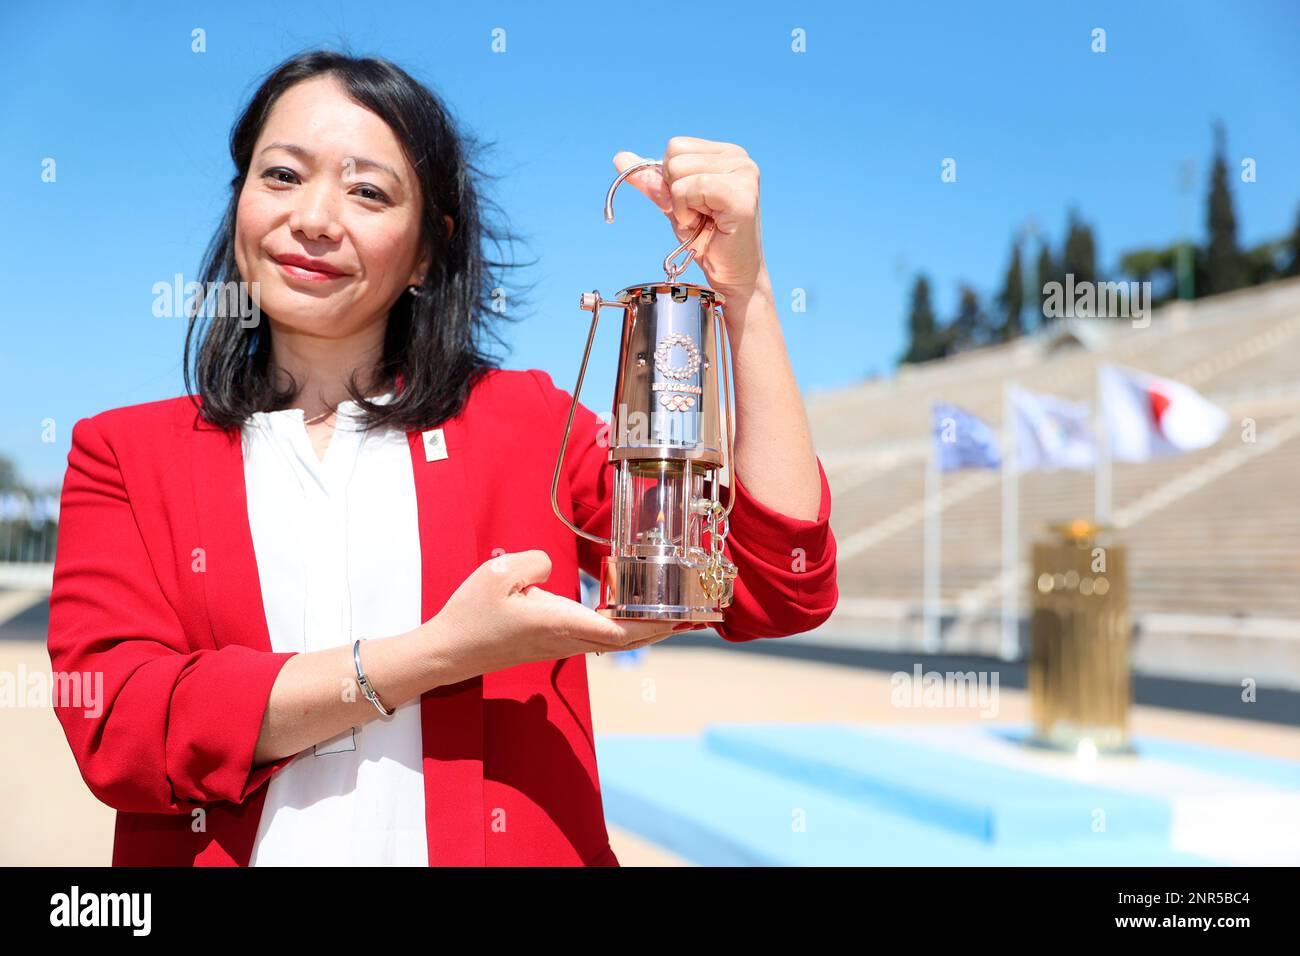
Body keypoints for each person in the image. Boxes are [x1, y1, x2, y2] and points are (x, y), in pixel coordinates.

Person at [46, 49, 839, 867]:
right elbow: (122, 729)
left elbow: (775, 588)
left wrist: (745, 292)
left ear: (428, 250)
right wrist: (438, 656)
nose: (316, 217)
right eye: (281, 176)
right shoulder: (125, 454)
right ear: (240, 199)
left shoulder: (525, 423)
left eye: (367, 191)